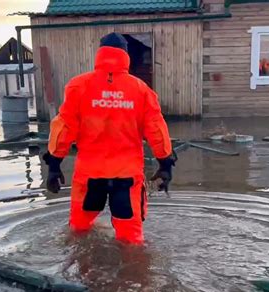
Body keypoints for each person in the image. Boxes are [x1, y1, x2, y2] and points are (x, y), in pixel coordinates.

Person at [44, 32, 175, 244]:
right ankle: (135, 275)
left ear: (99, 53)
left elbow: (63, 129)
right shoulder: (141, 90)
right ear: (126, 55)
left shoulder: (78, 86)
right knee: (131, 239)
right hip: (127, 177)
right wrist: (165, 164)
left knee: (78, 230)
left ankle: (79, 272)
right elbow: (157, 130)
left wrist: (54, 165)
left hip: (89, 177)